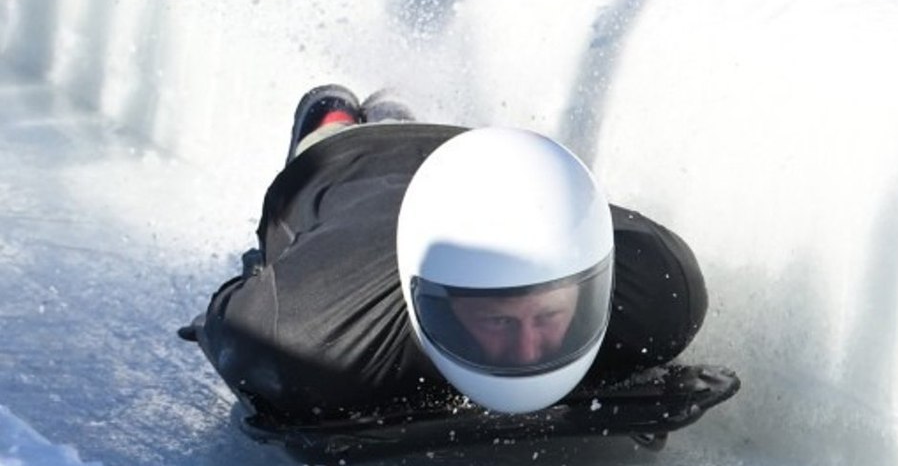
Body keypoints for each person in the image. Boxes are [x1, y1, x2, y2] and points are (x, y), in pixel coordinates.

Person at [182, 84, 708, 422]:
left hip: (474, 153)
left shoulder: (663, 291)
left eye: (548, 316)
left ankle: (391, 115)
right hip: (344, 168)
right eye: (499, 322)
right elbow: (228, 312)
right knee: (329, 138)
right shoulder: (307, 335)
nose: (528, 351)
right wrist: (270, 270)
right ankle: (334, 121)